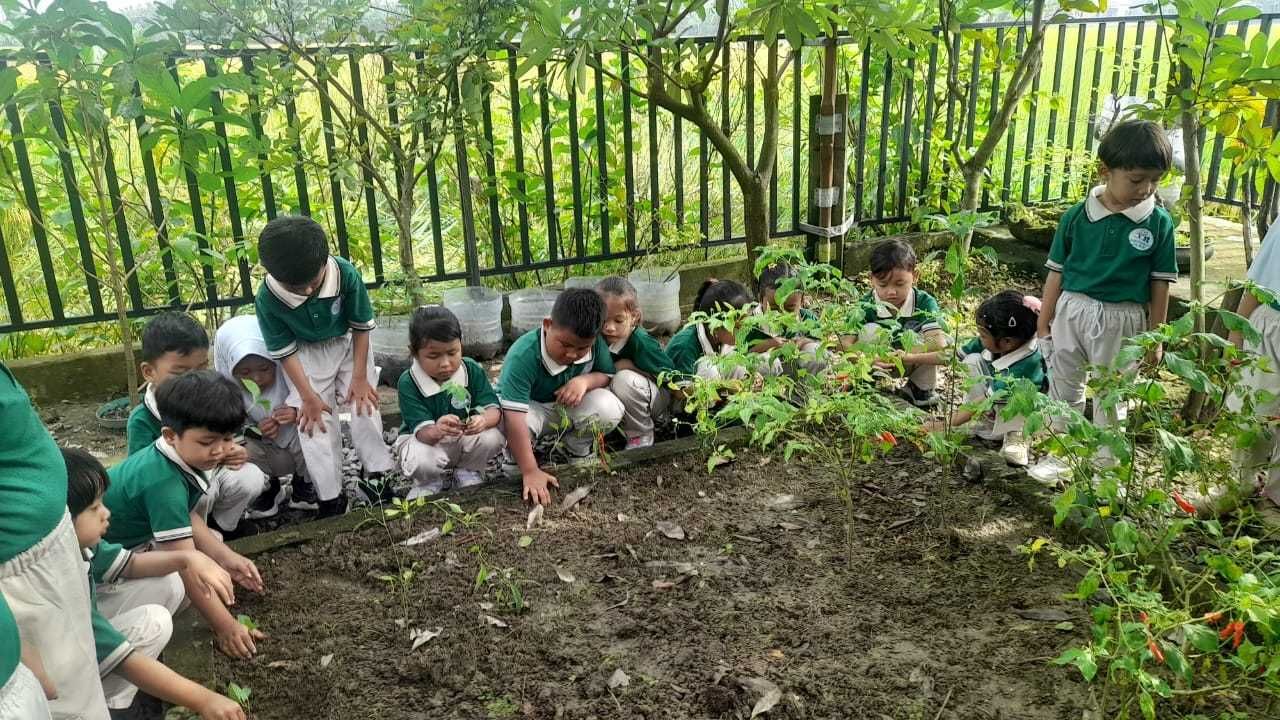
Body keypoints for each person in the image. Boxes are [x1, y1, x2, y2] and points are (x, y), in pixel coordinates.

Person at [1029, 120, 1178, 484]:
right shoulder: (1077, 217)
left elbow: (1160, 286)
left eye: (1155, 181)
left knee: (1113, 396)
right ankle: (1063, 456)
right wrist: (1044, 320)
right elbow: (1056, 273)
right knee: (1064, 386)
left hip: (1124, 319)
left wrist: (1154, 337)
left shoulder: (1159, 224)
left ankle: (1105, 469)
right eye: (1137, 179)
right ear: (1106, 172)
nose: (1146, 189)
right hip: (1072, 310)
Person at [63, 448, 245, 720]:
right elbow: (109, 646)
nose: (106, 513)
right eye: (94, 508)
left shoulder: (85, 548)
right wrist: (202, 698)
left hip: (81, 636)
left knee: (172, 583)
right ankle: (102, 707)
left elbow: (131, 564)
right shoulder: (59, 574)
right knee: (153, 623)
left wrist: (187, 559)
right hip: (63, 658)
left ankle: (114, 696)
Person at [102, 372, 266, 662]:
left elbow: (186, 515)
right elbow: (184, 566)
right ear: (169, 435)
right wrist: (226, 626)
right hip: (104, 569)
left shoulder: (179, 455)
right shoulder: (162, 483)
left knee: (209, 554)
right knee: (181, 586)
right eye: (208, 442)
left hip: (133, 541)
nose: (220, 450)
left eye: (227, 439)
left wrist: (227, 557)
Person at [253, 216, 395, 514]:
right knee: (312, 421)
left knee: (364, 404)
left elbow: (360, 327)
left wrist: (359, 377)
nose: (306, 291)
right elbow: (284, 351)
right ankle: (330, 495)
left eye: (313, 282)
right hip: (304, 357)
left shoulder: (344, 273)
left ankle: (376, 475)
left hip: (348, 346)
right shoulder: (267, 298)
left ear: (324, 261)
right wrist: (307, 397)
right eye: (296, 285)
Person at [0, 364, 106, 719]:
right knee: (68, 705)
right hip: (22, 576)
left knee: (80, 693)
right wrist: (19, 650)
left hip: (44, 561)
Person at [128, 312, 268, 538]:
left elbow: (229, 436)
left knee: (250, 477)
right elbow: (142, 471)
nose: (192, 380)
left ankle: (223, 526)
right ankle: (189, 535)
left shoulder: (211, 400)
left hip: (212, 472)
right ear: (149, 372)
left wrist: (235, 450)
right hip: (173, 488)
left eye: (201, 368)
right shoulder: (142, 419)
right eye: (180, 373)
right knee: (199, 491)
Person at [497, 288, 623, 506]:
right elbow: (514, 417)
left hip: (566, 408)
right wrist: (530, 470)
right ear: (547, 325)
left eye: (582, 348)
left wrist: (584, 381)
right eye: (565, 345)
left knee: (609, 406)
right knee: (513, 422)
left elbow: (607, 375)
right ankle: (517, 462)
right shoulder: (523, 355)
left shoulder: (595, 345)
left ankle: (577, 448)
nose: (572, 354)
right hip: (529, 410)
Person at [922, 291, 1048, 467]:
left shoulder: (1028, 362)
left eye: (983, 334)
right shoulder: (999, 338)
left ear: (1007, 342)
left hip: (1023, 413)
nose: (980, 338)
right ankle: (985, 422)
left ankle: (1016, 436)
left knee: (1018, 398)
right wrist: (905, 358)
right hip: (993, 401)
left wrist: (945, 424)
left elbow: (986, 399)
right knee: (971, 360)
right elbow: (951, 356)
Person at [393, 306, 504, 499]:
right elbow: (422, 433)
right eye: (433, 356)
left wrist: (483, 420)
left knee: (493, 437)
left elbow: (494, 410)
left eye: (452, 353)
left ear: (461, 344)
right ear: (414, 352)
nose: (445, 363)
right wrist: (437, 430)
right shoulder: (408, 381)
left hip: (463, 439)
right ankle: (429, 481)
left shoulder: (471, 370)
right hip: (426, 442)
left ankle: (467, 471)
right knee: (421, 459)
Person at [213, 315, 317, 516]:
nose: (257, 379)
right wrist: (253, 431)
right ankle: (267, 486)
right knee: (233, 446)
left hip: (296, 449)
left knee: (313, 426)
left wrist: (296, 411)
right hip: (259, 453)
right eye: (244, 372)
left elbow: (318, 401)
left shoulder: (291, 371)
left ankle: (305, 482)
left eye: (264, 368)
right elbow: (225, 431)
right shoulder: (224, 390)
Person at [1223, 218, 1280, 520]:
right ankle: (1240, 483)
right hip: (1271, 322)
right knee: (1254, 409)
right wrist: (1238, 328)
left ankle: (1274, 500)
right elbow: (1257, 281)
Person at [856, 239, 948, 407]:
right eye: (882, 285)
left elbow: (941, 345)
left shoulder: (924, 303)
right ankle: (869, 383)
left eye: (900, 284)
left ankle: (919, 389)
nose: (891, 292)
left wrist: (908, 354)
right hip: (876, 363)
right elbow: (844, 343)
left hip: (911, 360)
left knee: (928, 338)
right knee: (869, 331)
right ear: (871, 279)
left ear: (915, 276)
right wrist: (867, 359)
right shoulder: (866, 305)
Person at [596, 277, 679, 450]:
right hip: (627, 399)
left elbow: (671, 377)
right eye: (603, 320)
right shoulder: (596, 339)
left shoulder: (642, 343)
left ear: (634, 317)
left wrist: (632, 368)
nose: (609, 327)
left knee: (624, 379)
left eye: (618, 321)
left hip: (657, 401)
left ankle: (641, 434)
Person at [665, 279, 755, 381]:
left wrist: (750, 378)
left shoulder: (719, 339)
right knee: (708, 370)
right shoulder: (686, 345)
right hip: (684, 393)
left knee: (738, 364)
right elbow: (679, 391)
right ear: (716, 326)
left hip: (712, 389)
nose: (744, 331)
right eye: (738, 327)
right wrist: (725, 390)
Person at [749, 261, 824, 374]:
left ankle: (813, 389)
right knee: (763, 364)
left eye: (789, 308)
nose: (781, 315)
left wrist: (803, 342)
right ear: (760, 299)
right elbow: (740, 356)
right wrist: (769, 345)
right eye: (773, 308)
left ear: (802, 301)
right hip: (767, 384)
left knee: (816, 353)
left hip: (803, 378)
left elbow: (822, 342)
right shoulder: (751, 324)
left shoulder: (807, 319)